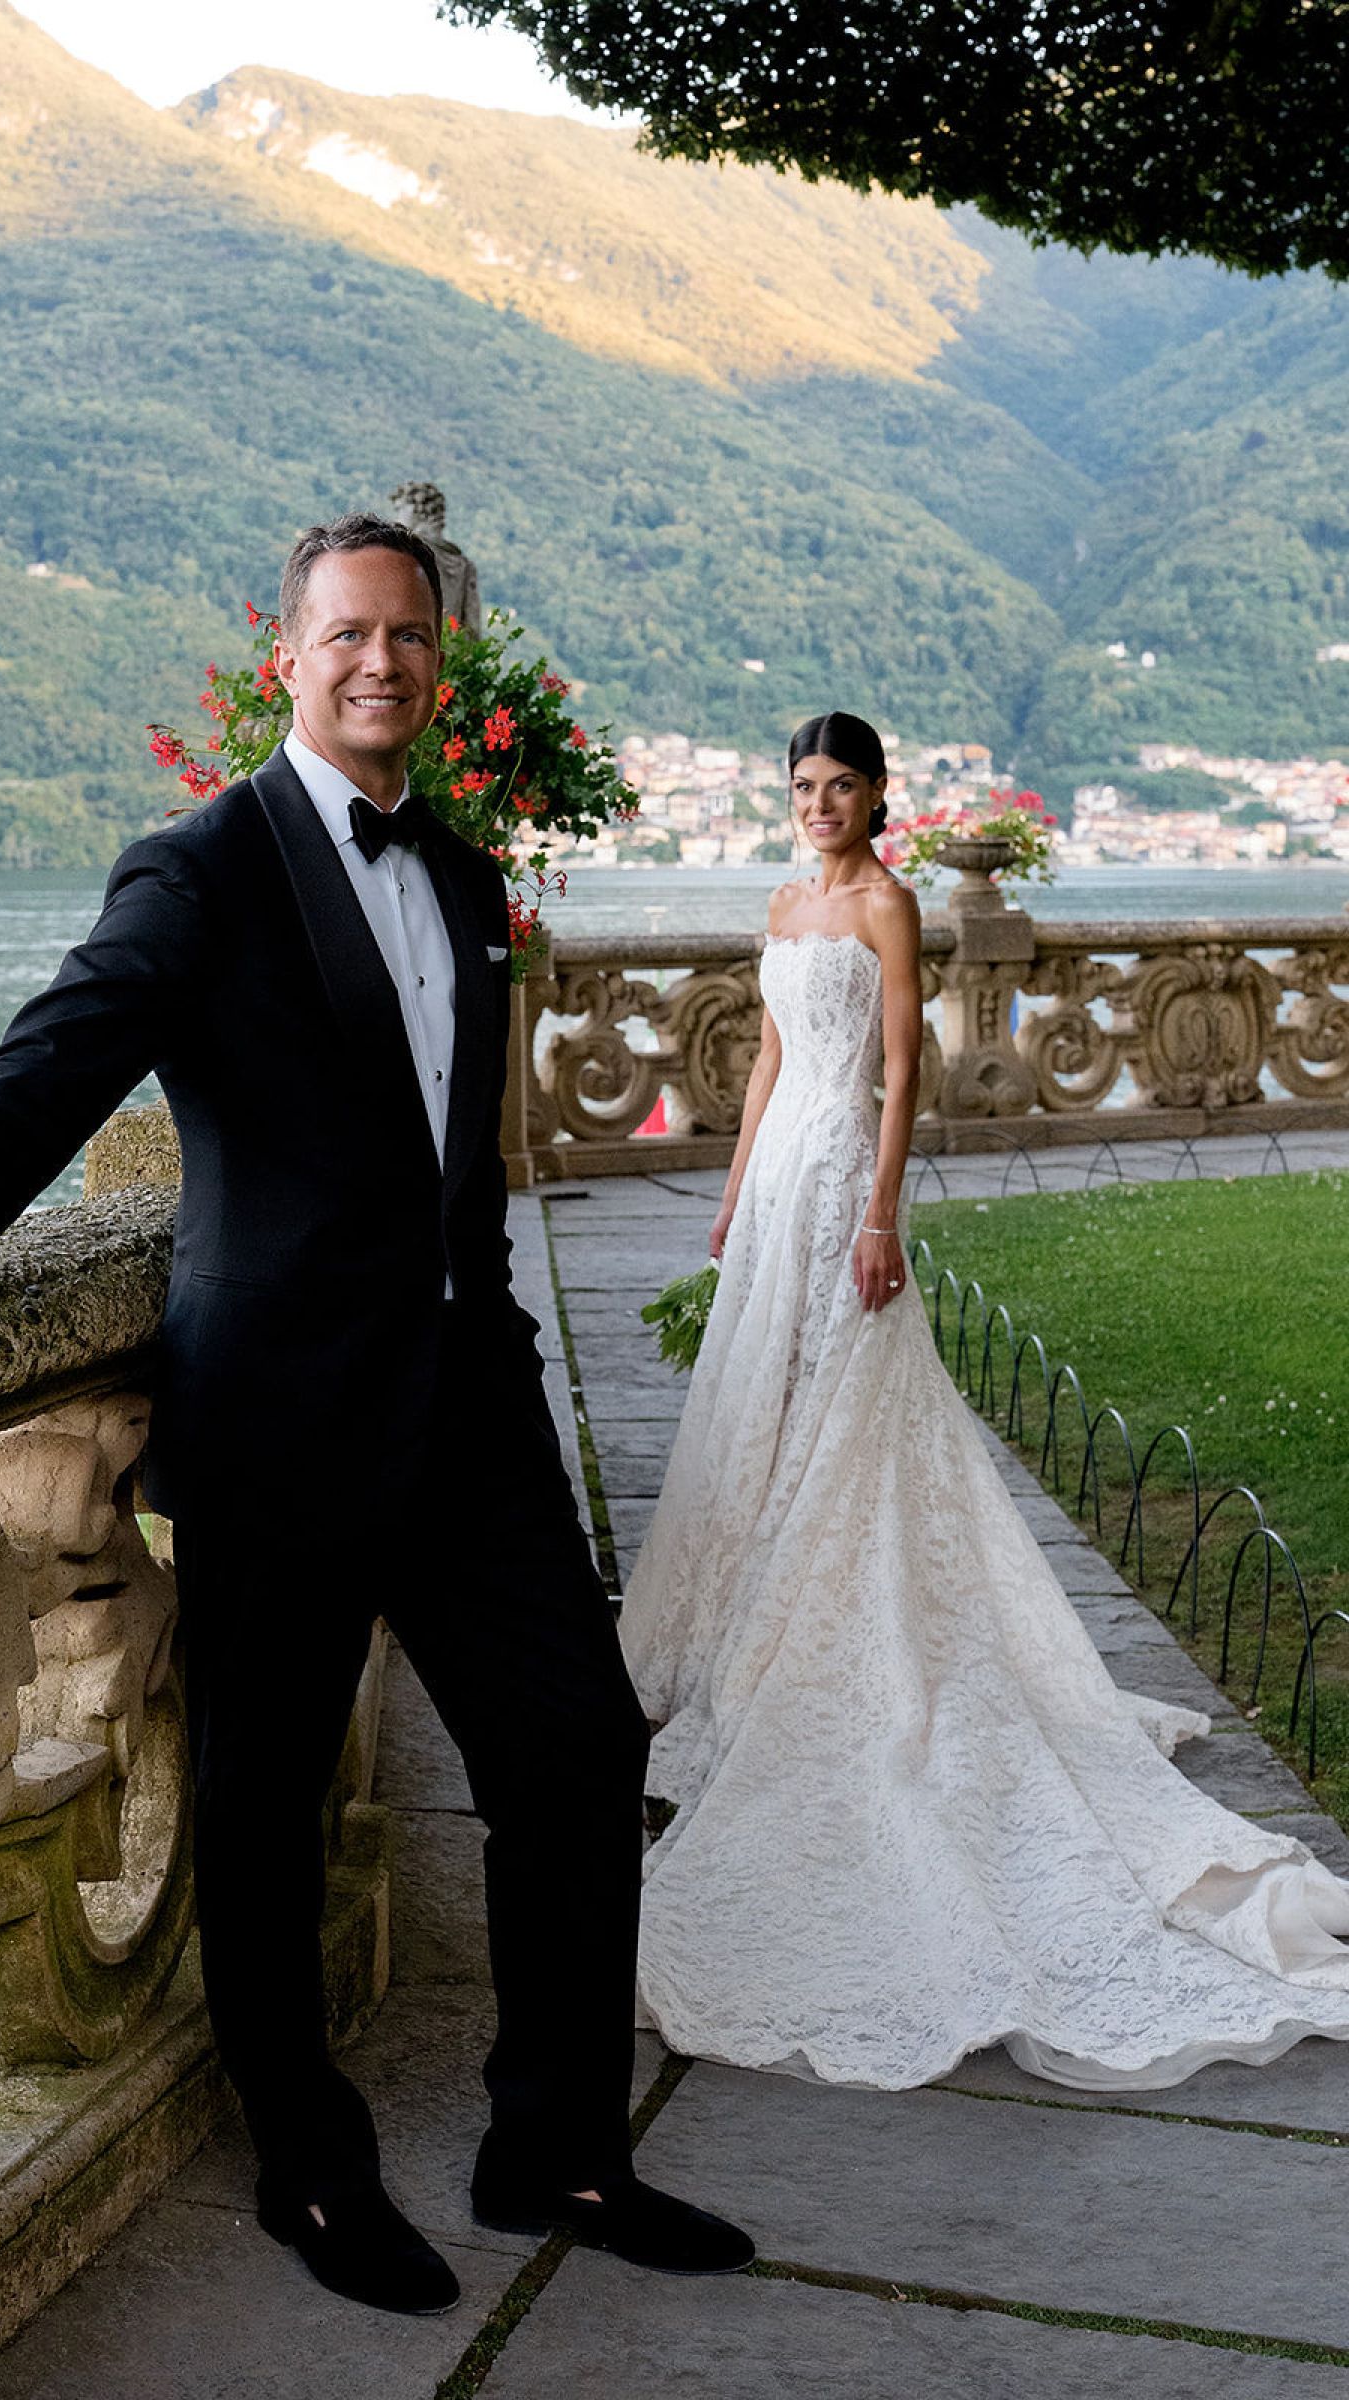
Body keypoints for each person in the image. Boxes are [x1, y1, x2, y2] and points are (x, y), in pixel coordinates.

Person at [0, 517, 752, 2316]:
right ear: (288, 657)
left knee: (576, 1752)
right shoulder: (200, 867)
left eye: (408, 638)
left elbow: (452, 1183)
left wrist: (493, 1350)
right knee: (263, 1813)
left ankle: (555, 2146)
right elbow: (46, 1067)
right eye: (347, 636)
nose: (379, 665)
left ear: (439, 663)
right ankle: (313, 2175)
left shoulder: (474, 890)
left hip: (467, 1414)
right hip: (279, 1421)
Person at [621, 708, 1349, 2091]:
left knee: (847, 1402)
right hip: (778, 1179)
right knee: (761, 1397)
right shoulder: (780, 899)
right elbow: (770, 1055)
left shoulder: (890, 906)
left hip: (846, 1173)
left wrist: (881, 1210)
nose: (821, 804)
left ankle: (829, 1618)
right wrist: (730, 1190)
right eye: (804, 786)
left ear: (879, 797)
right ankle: (732, 1617)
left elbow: (908, 1069)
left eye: (841, 787)